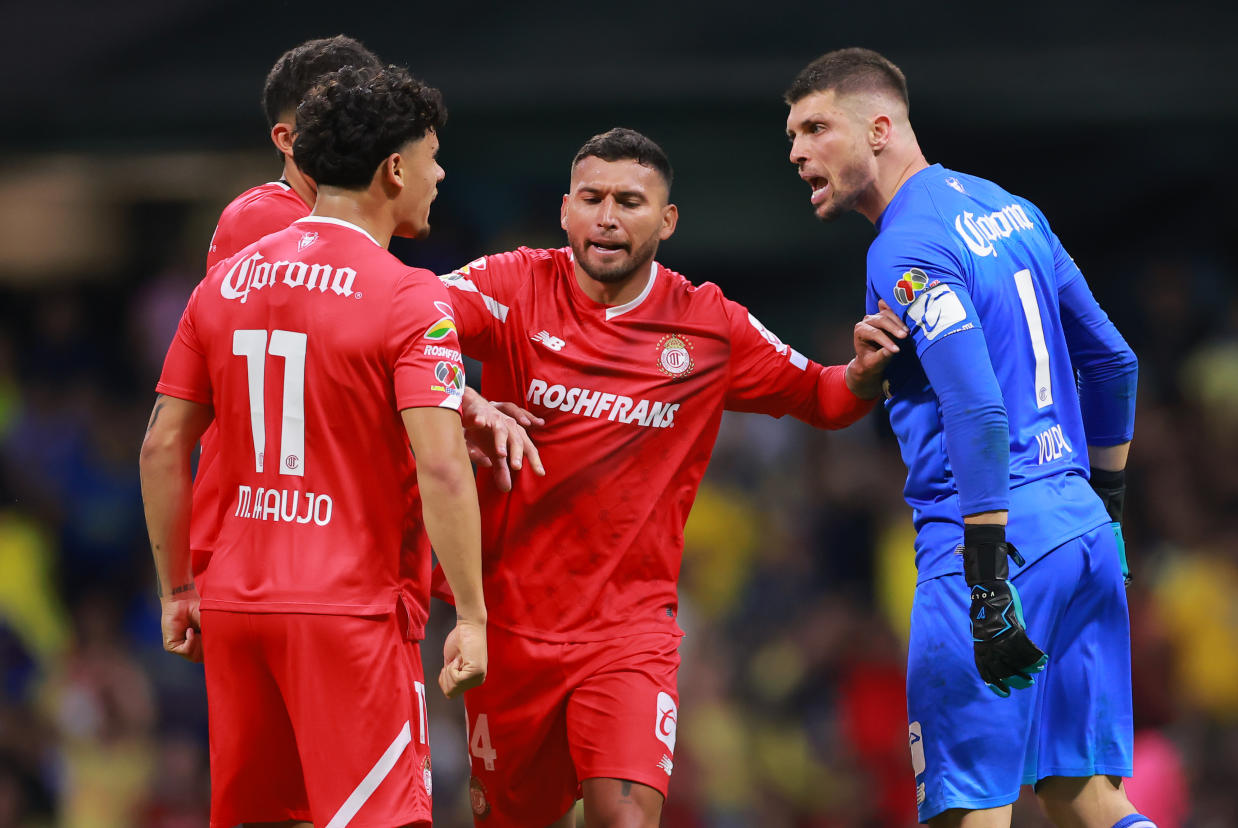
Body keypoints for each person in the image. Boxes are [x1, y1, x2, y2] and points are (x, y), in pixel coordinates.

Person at [433, 127, 908, 827]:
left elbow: (822, 395)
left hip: (629, 634)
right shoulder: (511, 285)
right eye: (592, 198)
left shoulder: (708, 325)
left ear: (667, 220)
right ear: (567, 211)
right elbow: (409, 324)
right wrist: (466, 399)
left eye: (631, 200)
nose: (609, 217)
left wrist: (862, 374)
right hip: (510, 633)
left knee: (625, 816)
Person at [784, 48, 1149, 828]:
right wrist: (1108, 507)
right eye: (792, 135)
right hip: (1081, 533)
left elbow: (978, 409)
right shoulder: (1013, 210)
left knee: (966, 812)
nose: (797, 152)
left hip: (989, 551)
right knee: (1085, 798)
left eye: (816, 128)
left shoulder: (904, 247)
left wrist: (985, 579)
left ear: (879, 128)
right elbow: (1113, 362)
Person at [140, 64, 487, 828]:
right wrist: (472, 614)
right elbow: (439, 462)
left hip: (234, 605)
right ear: (394, 169)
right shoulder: (410, 295)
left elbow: (163, 447)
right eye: (432, 156)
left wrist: (177, 592)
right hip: (349, 614)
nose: (439, 175)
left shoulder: (223, 282)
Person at [193, 34, 534, 590]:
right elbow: (324, 356)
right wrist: (456, 397)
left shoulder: (352, 236)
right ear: (288, 138)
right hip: (276, 538)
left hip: (323, 536)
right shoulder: (265, 222)